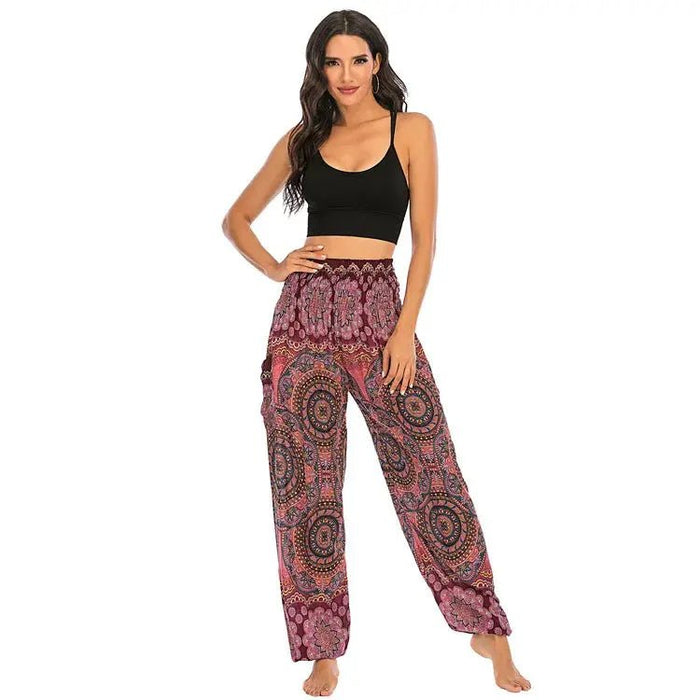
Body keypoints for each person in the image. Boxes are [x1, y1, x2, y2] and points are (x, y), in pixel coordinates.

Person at [222, 10, 531, 697]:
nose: (346, 74)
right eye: (332, 62)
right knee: (305, 486)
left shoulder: (411, 129)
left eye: (358, 60)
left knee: (430, 469)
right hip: (303, 321)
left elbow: (425, 240)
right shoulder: (304, 138)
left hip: (381, 314)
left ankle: (487, 628)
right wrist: (275, 266)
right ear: (318, 69)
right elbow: (235, 219)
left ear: (378, 62)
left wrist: (404, 330)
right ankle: (321, 649)